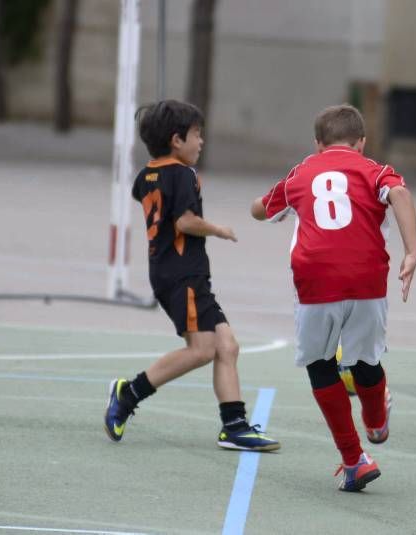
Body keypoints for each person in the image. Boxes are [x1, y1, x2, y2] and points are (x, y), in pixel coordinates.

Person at [250, 104, 416, 490]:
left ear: (317, 143)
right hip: (367, 279)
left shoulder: (301, 173)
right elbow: (400, 193)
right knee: (365, 360)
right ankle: (376, 419)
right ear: (361, 142)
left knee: (321, 365)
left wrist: (267, 205)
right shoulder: (375, 169)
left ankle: (354, 459)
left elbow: (259, 209)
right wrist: (412, 251)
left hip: (316, 282)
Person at [104, 100, 280, 452]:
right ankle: (129, 393)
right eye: (197, 135)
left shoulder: (146, 176)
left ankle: (234, 425)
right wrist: (217, 229)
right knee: (202, 350)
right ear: (176, 140)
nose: (201, 142)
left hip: (175, 273)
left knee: (227, 345)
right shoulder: (182, 174)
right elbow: (184, 221)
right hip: (182, 275)